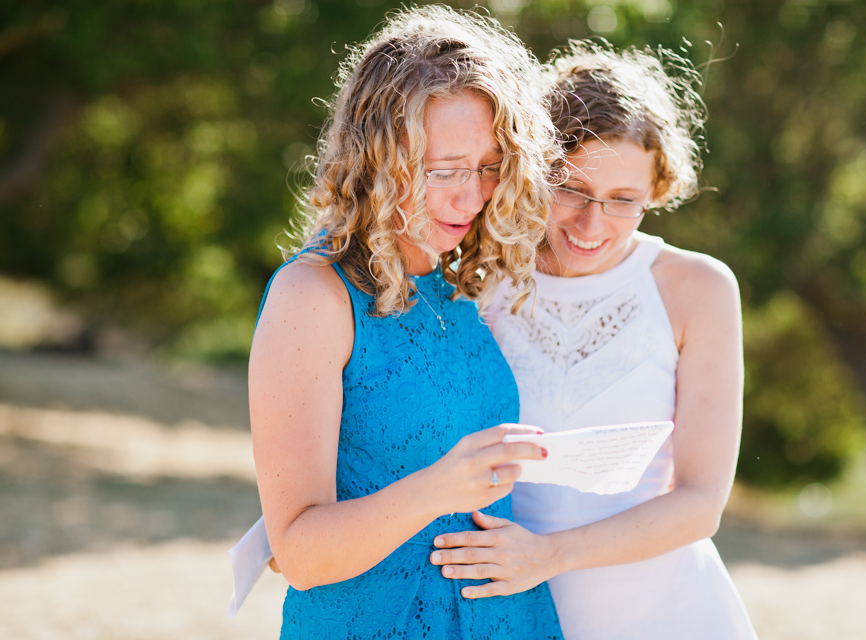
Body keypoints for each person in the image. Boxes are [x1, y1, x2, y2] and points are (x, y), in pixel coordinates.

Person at [248, 6, 563, 638]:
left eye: (489, 166)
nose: (471, 197)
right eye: (442, 170)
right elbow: (300, 554)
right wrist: (440, 488)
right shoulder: (312, 296)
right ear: (375, 160)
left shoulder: (457, 284)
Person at [430, 43, 759, 639]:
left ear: (657, 190)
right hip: (505, 608)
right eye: (572, 191)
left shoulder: (699, 290)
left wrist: (549, 554)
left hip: (665, 611)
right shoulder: (479, 278)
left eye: (622, 202)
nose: (592, 225)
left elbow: (702, 500)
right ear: (533, 171)